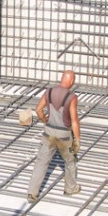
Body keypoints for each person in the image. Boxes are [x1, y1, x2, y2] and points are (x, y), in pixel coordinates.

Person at [27, 70, 81, 203]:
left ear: (62, 78)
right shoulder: (72, 97)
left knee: (41, 162)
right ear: (72, 81)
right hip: (64, 136)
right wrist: (77, 139)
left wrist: (45, 120)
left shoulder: (49, 92)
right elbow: (74, 120)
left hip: (49, 133)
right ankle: (70, 188)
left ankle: (32, 193)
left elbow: (38, 110)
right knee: (70, 161)